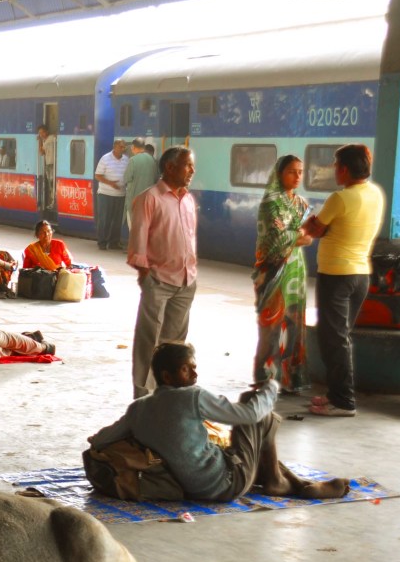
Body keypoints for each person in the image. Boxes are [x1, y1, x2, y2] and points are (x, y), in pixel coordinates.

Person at [89, 342, 350, 502]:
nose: (195, 373)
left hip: (192, 488)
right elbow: (248, 416)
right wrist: (270, 388)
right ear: (167, 377)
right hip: (225, 482)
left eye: (193, 367)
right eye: (186, 369)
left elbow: (100, 439)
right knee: (260, 412)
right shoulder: (192, 397)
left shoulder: (138, 408)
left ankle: (298, 484)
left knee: (241, 440)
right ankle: (276, 482)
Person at [302, 143, 385, 417]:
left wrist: (316, 225)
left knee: (334, 340)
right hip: (360, 274)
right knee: (339, 337)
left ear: (345, 169)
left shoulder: (340, 198)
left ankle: (343, 401)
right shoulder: (375, 194)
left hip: (337, 275)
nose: (335, 171)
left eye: (336, 166)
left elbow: (313, 230)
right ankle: (335, 394)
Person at [128, 146, 198, 398]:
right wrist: (146, 274)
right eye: (188, 165)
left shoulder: (188, 200)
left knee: (175, 344)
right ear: (170, 167)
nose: (193, 170)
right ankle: (142, 397)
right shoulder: (150, 198)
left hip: (186, 281)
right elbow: (138, 242)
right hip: (158, 280)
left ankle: (168, 395)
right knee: (148, 342)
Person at [252, 154, 313, 392]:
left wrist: (295, 235)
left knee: (294, 323)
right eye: (292, 172)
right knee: (271, 325)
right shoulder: (270, 203)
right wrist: (298, 236)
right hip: (272, 273)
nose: (298, 176)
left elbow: (310, 236)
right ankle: (266, 378)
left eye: (300, 171)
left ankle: (290, 378)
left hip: (295, 271)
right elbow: (276, 240)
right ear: (279, 174)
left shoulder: (301, 203)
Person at [94, 139, 129, 250]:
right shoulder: (105, 158)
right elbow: (98, 175)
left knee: (117, 220)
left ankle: (114, 242)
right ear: (115, 147)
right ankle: (102, 242)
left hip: (121, 194)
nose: (123, 149)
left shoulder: (126, 160)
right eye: (121, 147)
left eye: (124, 147)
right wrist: (111, 184)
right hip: (105, 194)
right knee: (105, 219)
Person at [122, 137, 158, 229]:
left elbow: (126, 178)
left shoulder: (133, 160)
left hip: (134, 201)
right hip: (148, 201)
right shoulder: (153, 160)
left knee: (134, 230)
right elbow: (156, 179)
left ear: (133, 147)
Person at [37, 125, 57, 215]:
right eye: (40, 133)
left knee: (53, 183)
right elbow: (41, 153)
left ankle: (54, 203)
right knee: (50, 184)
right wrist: (40, 141)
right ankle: (52, 202)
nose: (41, 134)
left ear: (47, 131)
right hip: (48, 164)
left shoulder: (52, 138)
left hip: (53, 164)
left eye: (42, 132)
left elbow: (58, 137)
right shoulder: (44, 141)